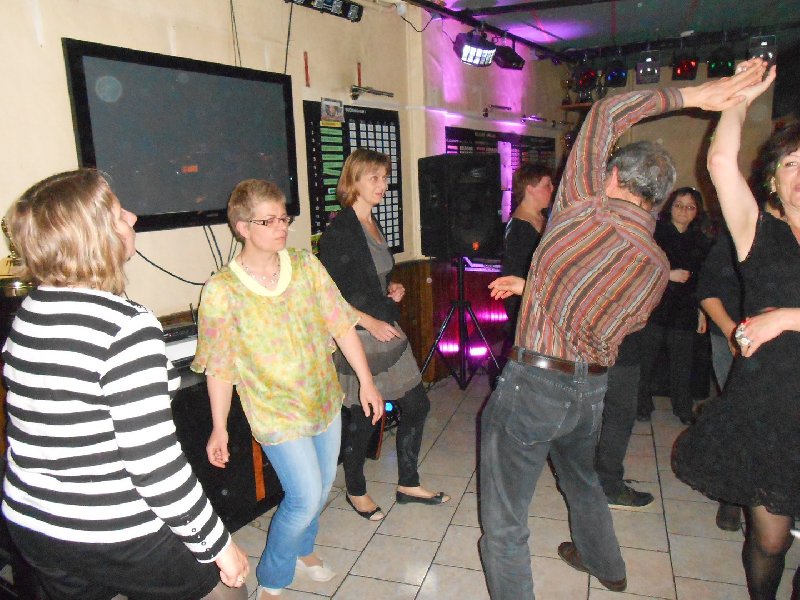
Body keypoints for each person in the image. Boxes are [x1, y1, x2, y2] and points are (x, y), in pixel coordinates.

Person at [479, 65, 769, 599]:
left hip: (534, 384)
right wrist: (537, 287)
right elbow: (616, 324)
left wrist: (696, 94)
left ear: (612, 176)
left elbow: (607, 111)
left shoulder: (581, 207)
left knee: (504, 519)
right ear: (658, 198)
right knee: (582, 479)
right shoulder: (657, 264)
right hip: (589, 391)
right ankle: (606, 565)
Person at [1, 169, 249, 600]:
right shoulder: (126, 326)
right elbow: (154, 466)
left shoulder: (31, 310)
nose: (132, 218)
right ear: (93, 237)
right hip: (112, 529)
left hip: (33, 521)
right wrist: (218, 545)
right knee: (228, 595)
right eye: (118, 215)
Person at [192, 179, 383, 598]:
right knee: (304, 496)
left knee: (322, 488)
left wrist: (366, 382)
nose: (281, 227)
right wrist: (219, 427)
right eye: (269, 220)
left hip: (323, 399)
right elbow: (219, 366)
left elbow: (341, 325)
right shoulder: (222, 289)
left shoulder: (306, 265)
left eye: (284, 218)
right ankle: (274, 579)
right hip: (275, 411)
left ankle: (303, 549)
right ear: (243, 227)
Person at [674, 60, 800, 600]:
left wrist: (788, 317)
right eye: (790, 163)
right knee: (770, 539)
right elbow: (721, 161)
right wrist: (739, 101)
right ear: (773, 180)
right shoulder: (760, 235)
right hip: (771, 404)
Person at [318, 148, 449, 522]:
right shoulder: (338, 233)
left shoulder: (372, 223)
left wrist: (391, 287)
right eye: (373, 177)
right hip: (357, 334)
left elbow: (370, 277)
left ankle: (408, 484)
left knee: (417, 405)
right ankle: (356, 489)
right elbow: (329, 299)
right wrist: (368, 320)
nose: (383, 184)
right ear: (353, 181)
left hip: (384, 325)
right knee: (363, 417)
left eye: (384, 177)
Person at [636, 187, 712, 425]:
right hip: (655, 306)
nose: (683, 211)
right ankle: (641, 404)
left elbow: (702, 279)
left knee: (682, 362)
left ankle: (683, 408)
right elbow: (640, 265)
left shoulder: (700, 240)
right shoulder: (655, 232)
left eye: (690, 207)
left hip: (684, 309)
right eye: (679, 205)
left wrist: (702, 311)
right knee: (646, 360)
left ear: (697, 211)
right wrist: (668, 274)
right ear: (670, 206)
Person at [696, 230, 744, 532]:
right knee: (736, 416)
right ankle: (732, 495)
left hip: (785, 343)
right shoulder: (738, 235)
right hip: (731, 335)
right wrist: (730, 331)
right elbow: (708, 288)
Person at [594, 330, 654, 508]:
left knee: (588, 415)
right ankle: (608, 485)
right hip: (618, 346)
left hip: (585, 343)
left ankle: (590, 481)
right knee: (618, 418)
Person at [501, 163, 555, 327]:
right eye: (547, 185)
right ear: (530, 189)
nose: (552, 189)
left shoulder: (544, 219)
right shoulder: (518, 230)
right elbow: (516, 277)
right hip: (528, 311)